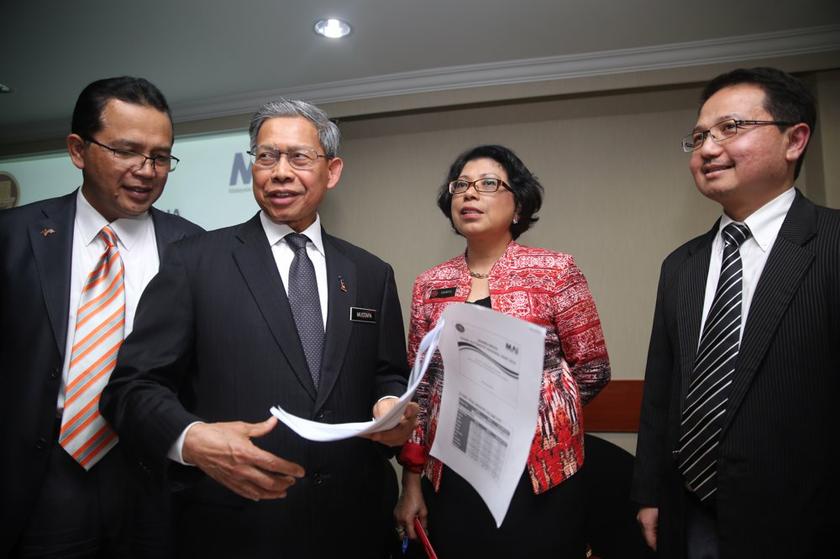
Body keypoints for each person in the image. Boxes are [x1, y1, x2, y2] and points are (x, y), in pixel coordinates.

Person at [101, 98, 418, 558]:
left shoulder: (371, 272)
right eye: (266, 156)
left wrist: (392, 407)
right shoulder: (194, 261)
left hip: (354, 522)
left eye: (299, 157)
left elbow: (388, 371)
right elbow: (132, 388)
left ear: (332, 171)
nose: (280, 171)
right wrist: (191, 439)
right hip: (237, 526)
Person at [632, 67, 840, 558]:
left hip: (811, 516)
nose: (707, 148)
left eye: (731, 128)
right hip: (692, 512)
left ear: (795, 140)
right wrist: (648, 493)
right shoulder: (680, 265)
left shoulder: (831, 243)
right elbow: (660, 393)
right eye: (700, 135)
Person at [0, 76, 203, 557]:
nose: (146, 170)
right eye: (127, 151)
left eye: (160, 156)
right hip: (44, 471)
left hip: (157, 475)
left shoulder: (196, 248)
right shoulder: (13, 237)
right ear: (77, 149)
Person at [394, 144, 611, 557]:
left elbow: (592, 369)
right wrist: (411, 482)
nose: (469, 194)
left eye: (488, 184)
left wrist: (533, 413)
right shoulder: (429, 284)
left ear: (518, 206)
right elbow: (420, 391)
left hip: (539, 473)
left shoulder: (555, 271)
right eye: (460, 186)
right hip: (454, 472)